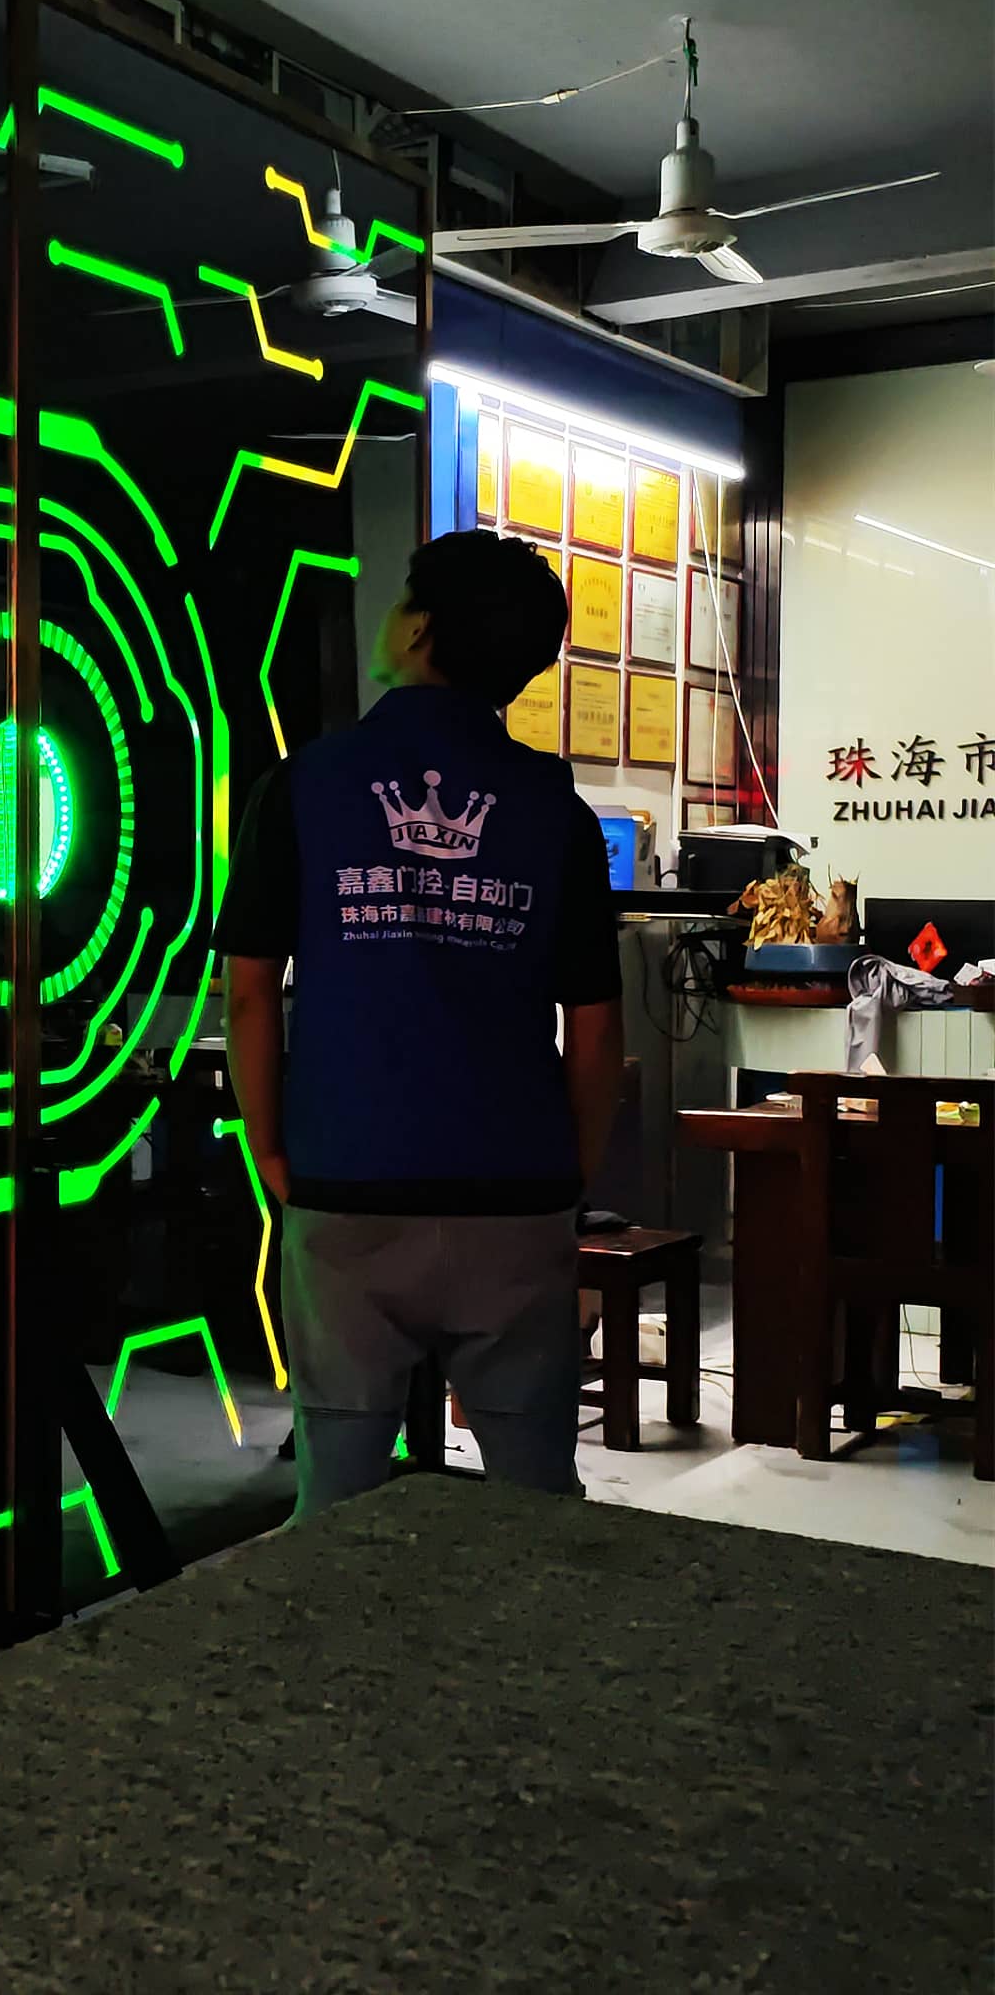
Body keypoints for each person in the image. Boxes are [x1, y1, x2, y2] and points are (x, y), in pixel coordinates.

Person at [219, 529, 624, 1518]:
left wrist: (271, 1151)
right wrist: (568, 1173)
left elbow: (250, 993)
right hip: (516, 1193)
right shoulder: (558, 812)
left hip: (347, 1184)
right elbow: (596, 1026)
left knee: (340, 1495)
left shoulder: (301, 786)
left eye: (402, 600)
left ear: (419, 630)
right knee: (537, 1497)